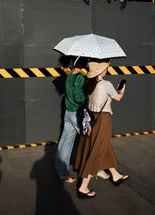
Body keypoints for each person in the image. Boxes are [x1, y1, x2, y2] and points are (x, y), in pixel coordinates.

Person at [74, 60, 128, 198]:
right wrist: (122, 91)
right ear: (101, 71)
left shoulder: (89, 84)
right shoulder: (106, 84)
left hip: (92, 118)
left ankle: (115, 175)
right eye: (105, 68)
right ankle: (83, 187)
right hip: (103, 119)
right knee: (97, 150)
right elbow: (118, 98)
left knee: (103, 146)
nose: (107, 70)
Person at [54, 56, 89, 183]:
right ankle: (95, 168)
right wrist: (85, 94)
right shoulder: (80, 77)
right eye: (86, 62)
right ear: (81, 63)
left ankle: (61, 171)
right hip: (76, 113)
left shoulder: (69, 75)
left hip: (68, 112)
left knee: (65, 142)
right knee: (89, 140)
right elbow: (78, 96)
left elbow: (71, 92)